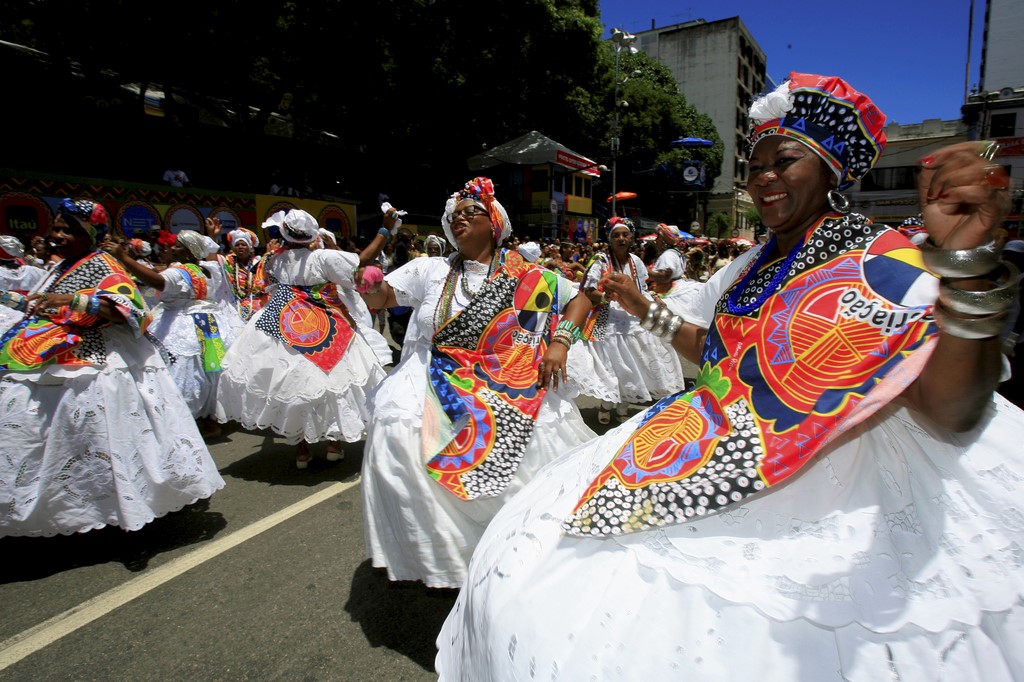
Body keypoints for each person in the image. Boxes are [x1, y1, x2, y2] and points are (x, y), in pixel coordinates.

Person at [436, 73, 1024, 680]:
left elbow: (950, 409)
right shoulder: (747, 267)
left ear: (830, 172)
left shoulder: (886, 261)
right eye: (755, 163)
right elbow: (717, 353)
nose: (764, 176)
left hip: (848, 474)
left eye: (785, 160)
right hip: (722, 439)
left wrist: (964, 267)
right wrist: (643, 309)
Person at [358, 177, 597, 589]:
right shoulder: (430, 269)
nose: (461, 217)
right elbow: (380, 300)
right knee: (398, 431)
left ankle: (517, 549)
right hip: (434, 374)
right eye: (456, 214)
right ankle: (451, 557)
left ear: (495, 223)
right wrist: (371, 278)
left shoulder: (526, 274)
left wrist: (560, 341)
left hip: (506, 377)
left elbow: (582, 299)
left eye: (473, 211)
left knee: (528, 456)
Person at [0, 198, 224, 537]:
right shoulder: (58, 267)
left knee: (105, 433)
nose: (57, 235)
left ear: (89, 233)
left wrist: (75, 300)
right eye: (56, 227)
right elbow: (42, 304)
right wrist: (14, 300)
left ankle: (116, 501)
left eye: (67, 229)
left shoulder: (104, 264)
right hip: (51, 352)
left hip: (95, 358)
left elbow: (133, 311)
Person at [214, 208, 391, 468]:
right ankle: (333, 443)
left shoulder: (273, 260)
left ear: (284, 234)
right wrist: (384, 230)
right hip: (323, 323)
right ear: (312, 236)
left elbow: (270, 286)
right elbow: (360, 263)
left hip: (282, 321)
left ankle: (302, 450)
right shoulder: (322, 258)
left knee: (290, 384)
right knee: (333, 381)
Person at [106, 229, 242, 439]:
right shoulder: (210, 269)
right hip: (210, 325)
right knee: (209, 370)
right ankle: (210, 420)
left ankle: (183, 423)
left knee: (183, 372)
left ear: (189, 252)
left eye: (178, 246)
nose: (171, 248)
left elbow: (158, 282)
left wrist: (123, 258)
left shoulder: (179, 273)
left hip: (182, 326)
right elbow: (211, 253)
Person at [568, 216, 685, 424]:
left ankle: (623, 406)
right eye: (616, 235)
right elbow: (588, 289)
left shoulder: (636, 262)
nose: (621, 239)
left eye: (625, 234)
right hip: (609, 320)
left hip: (633, 318)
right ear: (610, 239)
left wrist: (654, 299)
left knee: (634, 363)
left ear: (631, 237)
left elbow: (642, 288)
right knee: (613, 364)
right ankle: (606, 405)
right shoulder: (600, 260)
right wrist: (605, 297)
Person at [647, 223, 688, 295]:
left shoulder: (668, 255)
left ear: (664, 240)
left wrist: (644, 269)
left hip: (667, 295)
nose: (655, 241)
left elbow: (665, 276)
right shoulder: (676, 253)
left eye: (658, 238)